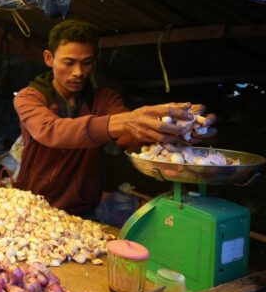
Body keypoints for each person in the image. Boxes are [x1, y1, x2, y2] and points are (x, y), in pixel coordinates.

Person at [13, 19, 216, 216]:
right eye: (69, 62)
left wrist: (181, 129)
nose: (78, 72)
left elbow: (131, 135)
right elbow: (51, 131)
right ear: (49, 58)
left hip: (81, 209)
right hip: (33, 205)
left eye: (87, 63)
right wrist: (125, 122)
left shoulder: (104, 100)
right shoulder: (30, 98)